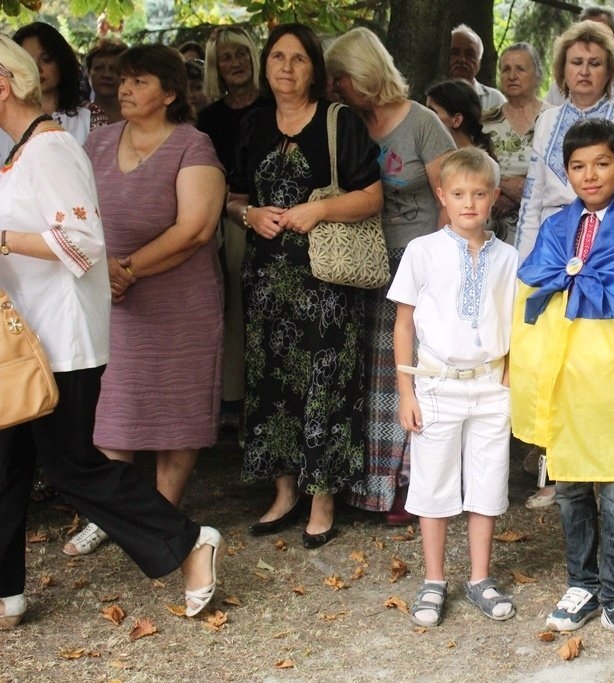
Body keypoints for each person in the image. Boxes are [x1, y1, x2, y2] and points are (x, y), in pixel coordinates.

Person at [0, 33, 220, 627]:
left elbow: (80, 244)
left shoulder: (49, 149)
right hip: (26, 338)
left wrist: (2, 239)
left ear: (3, 84)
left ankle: (190, 541)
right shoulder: (23, 150)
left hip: (63, 339)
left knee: (73, 467)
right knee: (7, 463)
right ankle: (6, 592)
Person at [511, 118, 614, 650]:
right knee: (571, 488)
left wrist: (575, 282)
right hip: (567, 377)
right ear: (566, 172)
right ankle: (582, 583)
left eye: (602, 163)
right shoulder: (558, 226)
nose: (590, 175)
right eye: (578, 166)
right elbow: (533, 287)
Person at [64, 44, 227, 557]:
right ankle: (110, 515)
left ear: (170, 93)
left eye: (139, 81)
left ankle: (159, 517)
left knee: (177, 410)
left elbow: (196, 228)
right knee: (113, 406)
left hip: (180, 301)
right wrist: (103, 269)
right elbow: (73, 212)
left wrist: (129, 269)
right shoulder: (97, 141)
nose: (125, 89)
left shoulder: (193, 145)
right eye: (124, 80)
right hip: (110, 295)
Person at [224, 23, 384, 546]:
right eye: (278, 57)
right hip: (266, 280)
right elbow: (233, 196)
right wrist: (249, 216)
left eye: (298, 58)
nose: (286, 67)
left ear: (314, 67)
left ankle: (323, 500)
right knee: (270, 384)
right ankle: (284, 492)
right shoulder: (252, 123)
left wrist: (318, 210)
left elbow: (372, 197)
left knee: (326, 385)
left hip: (326, 282)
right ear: (266, 65)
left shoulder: (339, 121)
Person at [324, 27, 456, 522]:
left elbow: (451, 198)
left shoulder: (421, 123)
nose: (335, 87)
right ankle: (366, 485)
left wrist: (437, 266)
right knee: (368, 377)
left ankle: (408, 484)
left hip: (415, 263)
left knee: (403, 375)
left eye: (341, 78)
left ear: (363, 73)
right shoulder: (348, 123)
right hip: (362, 264)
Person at [390, 148, 518, 627]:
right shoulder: (422, 252)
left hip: (490, 385)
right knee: (434, 482)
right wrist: (406, 392)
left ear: (494, 197)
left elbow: (517, 321)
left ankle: (480, 577)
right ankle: (434, 579)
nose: (469, 203)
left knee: (488, 480)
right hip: (436, 384)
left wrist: (512, 374)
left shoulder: (509, 257)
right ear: (442, 195)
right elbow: (403, 324)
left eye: (479, 194)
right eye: (459, 194)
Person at [516, 20, 614, 261]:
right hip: (552, 245)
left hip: (610, 244)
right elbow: (531, 201)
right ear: (563, 69)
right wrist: (523, 264)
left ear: (609, 71)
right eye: (576, 62)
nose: (584, 71)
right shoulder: (547, 120)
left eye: (595, 63)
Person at [197, 25, 264, 434]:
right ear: (215, 67)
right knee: (233, 308)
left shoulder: (274, 105)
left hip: (277, 216)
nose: (236, 63)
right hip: (227, 218)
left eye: (241, 53)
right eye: (226, 57)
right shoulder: (210, 118)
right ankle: (232, 402)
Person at [481, 42, 551, 247]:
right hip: (495, 229)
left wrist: (521, 191)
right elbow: (474, 170)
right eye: (506, 69)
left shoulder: (555, 118)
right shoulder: (485, 122)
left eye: (520, 69)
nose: (512, 76)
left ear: (538, 76)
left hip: (544, 227)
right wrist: (503, 188)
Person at [0, 22, 107, 156]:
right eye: (27, 61)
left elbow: (104, 166)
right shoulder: (3, 118)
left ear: (61, 62)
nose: (37, 69)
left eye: (46, 59)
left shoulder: (90, 115)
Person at [425, 79, 494, 156]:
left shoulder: (476, 162)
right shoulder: (432, 157)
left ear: (456, 120)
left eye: (432, 113)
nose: (424, 118)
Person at [449, 24, 505, 112]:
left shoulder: (494, 100)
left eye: (469, 54)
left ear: (479, 62)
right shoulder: (432, 97)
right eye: (455, 53)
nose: (461, 59)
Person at [85, 38, 127, 123]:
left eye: (114, 69)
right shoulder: (74, 118)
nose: (106, 75)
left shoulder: (139, 117)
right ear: (88, 73)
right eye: (99, 68)